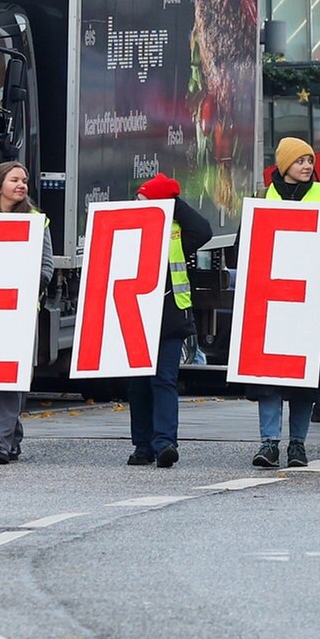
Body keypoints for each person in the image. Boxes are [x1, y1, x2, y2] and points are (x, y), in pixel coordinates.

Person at [252, 138, 320, 469]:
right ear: (284, 164)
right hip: (272, 300)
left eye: (310, 160)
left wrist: (314, 277)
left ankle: (297, 445)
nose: (307, 166)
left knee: (304, 378)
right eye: (300, 160)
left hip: (311, 300)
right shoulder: (264, 197)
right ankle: (269, 443)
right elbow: (248, 244)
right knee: (270, 376)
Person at [127, 173, 211, 469]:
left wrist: (172, 203)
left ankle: (165, 443)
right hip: (136, 315)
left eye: (144, 199)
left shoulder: (178, 231)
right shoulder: (129, 228)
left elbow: (203, 230)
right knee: (138, 384)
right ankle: (142, 446)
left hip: (171, 317)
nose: (138, 205)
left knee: (164, 380)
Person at [0, 162, 54, 465]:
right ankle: (7, 439)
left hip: (21, 310)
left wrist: (29, 286)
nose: (22, 185)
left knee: (14, 378)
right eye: (15, 180)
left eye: (25, 180)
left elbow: (46, 265)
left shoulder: (36, 221)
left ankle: (2, 443)